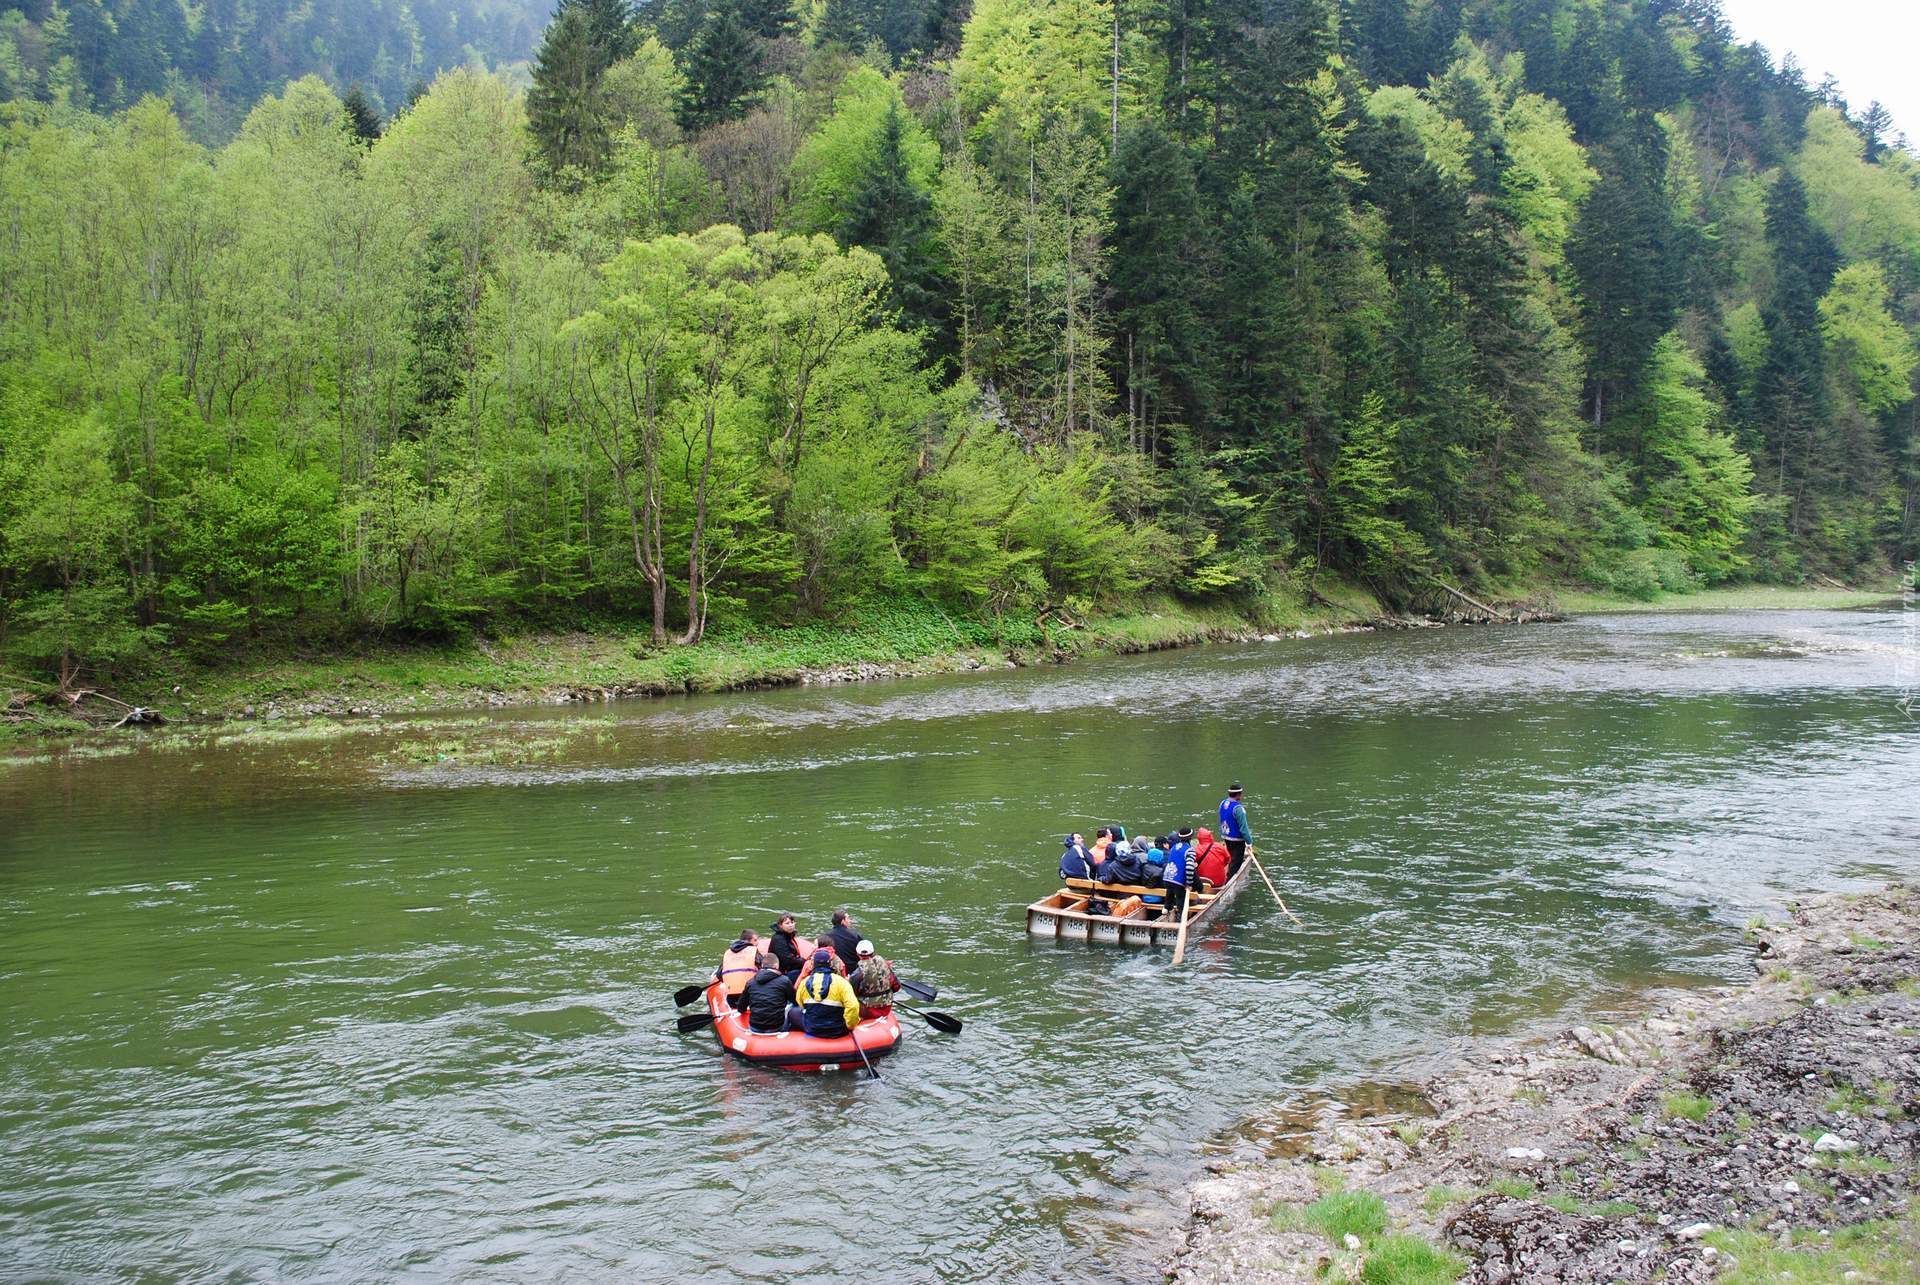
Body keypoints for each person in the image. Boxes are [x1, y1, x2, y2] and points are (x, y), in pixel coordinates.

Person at [789, 948, 862, 1037]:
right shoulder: (842, 982)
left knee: (792, 1012)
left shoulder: (804, 983)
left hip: (812, 1028)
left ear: (813, 964)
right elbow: (853, 1006)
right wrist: (850, 1025)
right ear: (830, 964)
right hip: (838, 1029)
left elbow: (800, 1004)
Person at [742, 960, 796, 1034]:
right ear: (776, 966)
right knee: (791, 1006)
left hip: (755, 1026)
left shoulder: (750, 982)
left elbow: (741, 1006)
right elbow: (795, 1000)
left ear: (762, 966)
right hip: (776, 1026)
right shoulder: (785, 981)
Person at [849, 940, 900, 1019]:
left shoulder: (858, 973)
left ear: (857, 954)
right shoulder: (885, 966)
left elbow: (851, 993)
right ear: (873, 953)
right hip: (887, 1007)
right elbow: (897, 986)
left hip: (867, 1011)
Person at [716, 930, 762, 1010]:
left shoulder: (728, 953)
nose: (757, 943)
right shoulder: (754, 952)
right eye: (755, 940)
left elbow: (719, 975)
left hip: (732, 999)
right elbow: (765, 971)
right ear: (747, 941)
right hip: (751, 998)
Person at [1218, 782, 1252, 877]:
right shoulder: (1238, 808)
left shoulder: (1223, 803)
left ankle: (1226, 873)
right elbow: (1243, 828)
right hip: (1237, 840)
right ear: (1238, 794)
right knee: (1236, 862)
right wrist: (1249, 843)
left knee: (1230, 857)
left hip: (1226, 836)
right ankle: (1229, 880)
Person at [766, 913, 811, 978]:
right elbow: (787, 959)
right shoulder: (778, 939)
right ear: (781, 925)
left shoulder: (788, 936)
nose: (790, 925)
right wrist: (804, 962)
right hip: (782, 971)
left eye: (792, 922)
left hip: (789, 967)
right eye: (787, 923)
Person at [1160, 832, 1190, 923]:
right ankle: (1180, 916)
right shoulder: (1185, 851)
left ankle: (1167, 908)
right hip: (1177, 883)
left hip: (1168, 883)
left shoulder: (1171, 852)